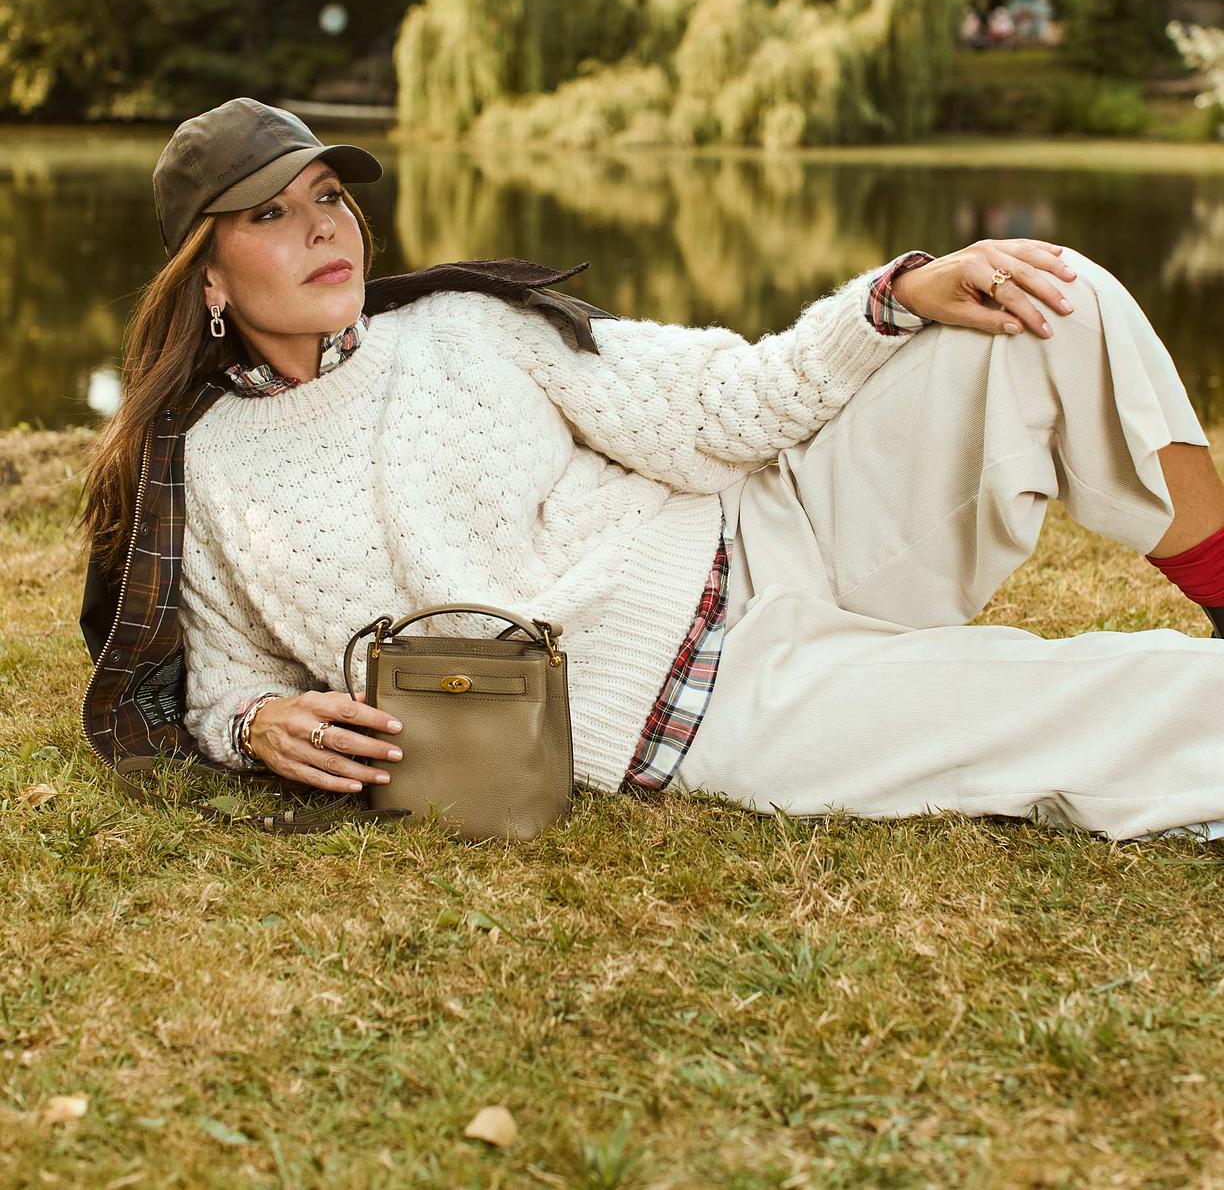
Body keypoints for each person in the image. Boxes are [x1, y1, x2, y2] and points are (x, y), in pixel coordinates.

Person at [77, 99, 1224, 844]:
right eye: (271, 215)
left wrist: (896, 299)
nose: (324, 227)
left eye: (330, 196)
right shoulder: (204, 468)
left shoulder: (466, 321)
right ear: (208, 276)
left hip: (778, 529)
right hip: (708, 708)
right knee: (1118, 709)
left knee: (1050, 295)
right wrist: (258, 723)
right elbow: (223, 682)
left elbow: (719, 405)